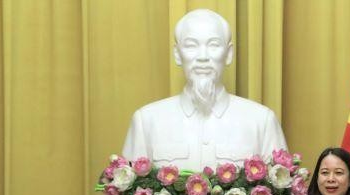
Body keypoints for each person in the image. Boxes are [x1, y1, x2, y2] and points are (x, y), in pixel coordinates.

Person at [122, 9, 287, 171]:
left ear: (228, 53)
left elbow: (281, 192)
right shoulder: (147, 121)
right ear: (178, 54)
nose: (202, 57)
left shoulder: (261, 121)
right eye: (191, 46)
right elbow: (128, 192)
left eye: (213, 45)